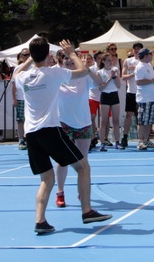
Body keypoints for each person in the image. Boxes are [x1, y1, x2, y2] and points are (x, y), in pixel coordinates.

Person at [14, 37, 112, 234]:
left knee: (46, 179)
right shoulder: (54, 73)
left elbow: (17, 71)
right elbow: (83, 72)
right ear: (49, 55)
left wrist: (30, 59)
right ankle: (86, 211)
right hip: (49, 129)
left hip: (31, 134)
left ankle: (40, 220)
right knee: (83, 167)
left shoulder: (23, 77)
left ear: (31, 56)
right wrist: (72, 54)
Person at [55, 53, 101, 207]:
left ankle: (82, 191)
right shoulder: (58, 76)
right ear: (61, 63)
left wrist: (85, 67)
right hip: (63, 124)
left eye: (71, 59)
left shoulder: (84, 76)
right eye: (65, 60)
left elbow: (99, 82)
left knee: (83, 162)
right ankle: (60, 192)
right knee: (63, 161)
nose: (68, 62)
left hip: (83, 122)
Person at [135, 48, 154, 150]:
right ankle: (140, 141)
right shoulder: (140, 67)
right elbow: (138, 81)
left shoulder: (148, 65)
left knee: (149, 121)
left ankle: (146, 139)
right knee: (142, 121)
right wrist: (151, 80)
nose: (151, 55)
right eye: (149, 54)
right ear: (145, 56)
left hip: (151, 98)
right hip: (144, 99)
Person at [97, 53, 122, 150]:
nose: (111, 62)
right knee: (104, 121)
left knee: (116, 120)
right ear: (103, 62)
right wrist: (109, 78)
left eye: (111, 60)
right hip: (105, 96)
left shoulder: (115, 70)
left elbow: (119, 85)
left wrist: (115, 77)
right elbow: (101, 87)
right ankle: (102, 142)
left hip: (114, 95)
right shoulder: (100, 72)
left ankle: (117, 141)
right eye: (108, 60)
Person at [120, 43, 143, 147]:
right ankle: (125, 137)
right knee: (129, 115)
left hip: (142, 92)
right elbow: (123, 77)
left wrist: (137, 70)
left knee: (140, 117)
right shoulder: (128, 61)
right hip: (131, 92)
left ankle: (141, 139)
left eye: (138, 48)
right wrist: (132, 74)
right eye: (135, 49)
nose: (136, 50)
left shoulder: (144, 61)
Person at [11, 49, 31, 149]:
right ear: (21, 56)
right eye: (24, 55)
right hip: (21, 98)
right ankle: (21, 140)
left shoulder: (34, 67)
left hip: (31, 98)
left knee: (30, 119)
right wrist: (14, 98)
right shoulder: (17, 68)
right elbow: (13, 84)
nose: (26, 56)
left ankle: (29, 139)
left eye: (28, 54)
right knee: (20, 120)